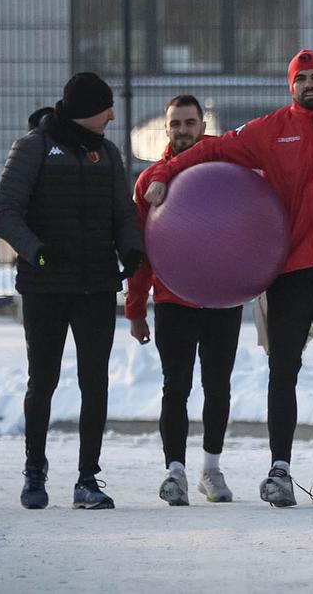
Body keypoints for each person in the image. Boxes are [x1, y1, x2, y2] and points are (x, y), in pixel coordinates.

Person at [144, 0, 313, 507]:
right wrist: (162, 173)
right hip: (287, 272)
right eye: (301, 79)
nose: (310, 85)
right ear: (291, 87)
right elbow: (208, 150)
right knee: (282, 372)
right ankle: (279, 470)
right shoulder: (267, 130)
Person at [0, 72, 144, 511]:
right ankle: (34, 472)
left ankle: (87, 478)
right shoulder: (34, 147)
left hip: (97, 284)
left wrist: (131, 250)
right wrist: (36, 252)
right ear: (83, 112)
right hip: (45, 287)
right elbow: (5, 211)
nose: (112, 116)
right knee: (44, 381)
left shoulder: (108, 153)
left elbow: (123, 213)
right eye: (104, 108)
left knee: (94, 382)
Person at [125, 95, 244, 506]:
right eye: (175, 124)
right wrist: (135, 308)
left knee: (218, 387)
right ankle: (174, 471)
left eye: (189, 123)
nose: (182, 131)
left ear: (202, 124)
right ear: (166, 128)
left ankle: (211, 470)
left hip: (222, 299)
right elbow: (141, 252)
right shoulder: (150, 183)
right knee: (175, 387)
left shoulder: (226, 169)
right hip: (173, 301)